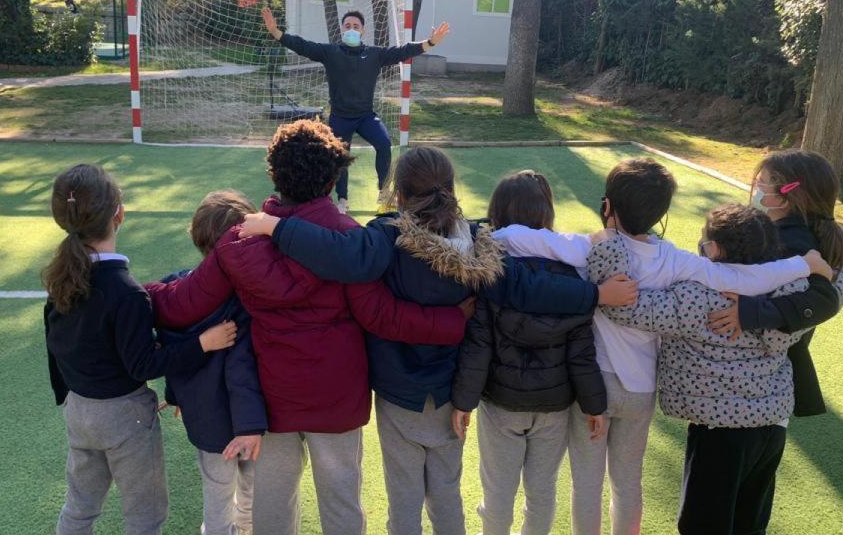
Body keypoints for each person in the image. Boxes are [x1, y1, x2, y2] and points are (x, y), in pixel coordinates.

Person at [236, 147, 636, 535]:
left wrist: (276, 225)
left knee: (404, 498)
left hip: (398, 394)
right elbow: (527, 288)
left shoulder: (385, 236)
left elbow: (345, 257)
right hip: (450, 392)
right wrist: (596, 295)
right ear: (450, 189)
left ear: (400, 194)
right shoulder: (479, 244)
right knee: (445, 493)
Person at [142, 121, 470, 535]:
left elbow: (179, 304)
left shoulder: (238, 242)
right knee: (341, 504)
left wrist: (126, 287)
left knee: (273, 508)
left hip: (275, 394)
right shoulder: (351, 242)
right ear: (334, 178)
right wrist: (456, 319)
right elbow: (381, 315)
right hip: (338, 395)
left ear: (274, 174)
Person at [488, 158, 822, 535]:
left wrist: (483, 235)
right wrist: (802, 265)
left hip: (594, 388)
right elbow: (740, 277)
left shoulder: (589, 247)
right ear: (660, 212)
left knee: (586, 483)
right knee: (627, 482)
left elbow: (520, 236)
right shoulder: (673, 259)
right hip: (641, 390)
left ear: (608, 207)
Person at [588, 204, 843, 534]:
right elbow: (815, 301)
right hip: (771, 428)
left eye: (704, 240)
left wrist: (606, 247)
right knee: (748, 524)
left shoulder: (697, 297)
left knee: (702, 524)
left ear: (716, 249)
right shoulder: (788, 293)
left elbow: (627, 308)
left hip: (719, 433)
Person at [43, 164, 236, 535]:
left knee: (80, 506)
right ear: (119, 214)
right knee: (145, 516)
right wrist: (203, 343)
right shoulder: (126, 292)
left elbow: (55, 343)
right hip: (123, 417)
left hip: (79, 410)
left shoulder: (61, 278)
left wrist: (70, 394)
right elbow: (144, 364)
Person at [450, 170, 609, 535]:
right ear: (545, 213)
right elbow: (582, 352)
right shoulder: (574, 274)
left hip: (501, 404)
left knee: (498, 494)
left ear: (498, 213)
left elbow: (479, 345)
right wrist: (595, 404)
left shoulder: (491, 271)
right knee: (541, 494)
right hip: (554, 407)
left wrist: (463, 401)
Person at [706, 149, 843, 418]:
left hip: (752, 378)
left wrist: (750, 312)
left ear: (788, 194)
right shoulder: (800, 234)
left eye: (762, 182)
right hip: (766, 383)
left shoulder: (790, 243)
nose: (757, 188)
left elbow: (822, 301)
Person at [261, 6, 451, 214]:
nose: (352, 29)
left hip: (365, 116)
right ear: (342, 30)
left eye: (356, 26)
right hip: (340, 117)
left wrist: (430, 42)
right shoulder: (330, 52)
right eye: (348, 26)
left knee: (384, 144)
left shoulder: (374, 55)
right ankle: (343, 200)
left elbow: (403, 51)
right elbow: (302, 46)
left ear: (363, 31)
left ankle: (384, 193)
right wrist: (276, 33)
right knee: (339, 156)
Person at [156, 190, 267, 535]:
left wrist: (175, 395)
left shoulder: (177, 291)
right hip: (253, 418)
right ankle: (245, 526)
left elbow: (174, 350)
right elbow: (243, 369)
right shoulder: (252, 295)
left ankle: (228, 528)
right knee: (250, 486)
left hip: (207, 417)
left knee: (218, 493)